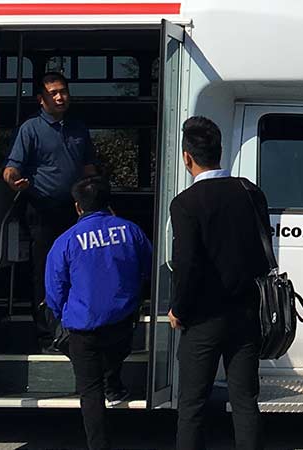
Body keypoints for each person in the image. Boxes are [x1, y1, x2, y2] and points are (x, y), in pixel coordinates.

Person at [169, 116, 270, 450]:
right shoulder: (251, 192)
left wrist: (178, 308)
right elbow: (263, 254)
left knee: (192, 405)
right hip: (246, 313)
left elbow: (186, 264)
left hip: (203, 317)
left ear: (187, 157)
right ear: (220, 151)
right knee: (244, 401)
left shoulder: (185, 203)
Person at [45, 176, 153, 450]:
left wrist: (61, 317)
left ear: (78, 207)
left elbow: (55, 290)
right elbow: (149, 269)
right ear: (109, 204)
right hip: (121, 326)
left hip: (83, 329)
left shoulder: (65, 241)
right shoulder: (132, 231)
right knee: (114, 357)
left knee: (90, 393)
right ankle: (114, 382)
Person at [4, 72, 99, 352]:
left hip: (77, 212)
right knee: (46, 272)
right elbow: (11, 168)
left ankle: (77, 330)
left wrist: (100, 200)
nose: (60, 97)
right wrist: (13, 181)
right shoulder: (30, 129)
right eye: (53, 93)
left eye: (64, 91)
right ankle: (46, 335)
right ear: (41, 99)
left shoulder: (79, 128)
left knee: (80, 270)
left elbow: (89, 169)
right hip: (42, 209)